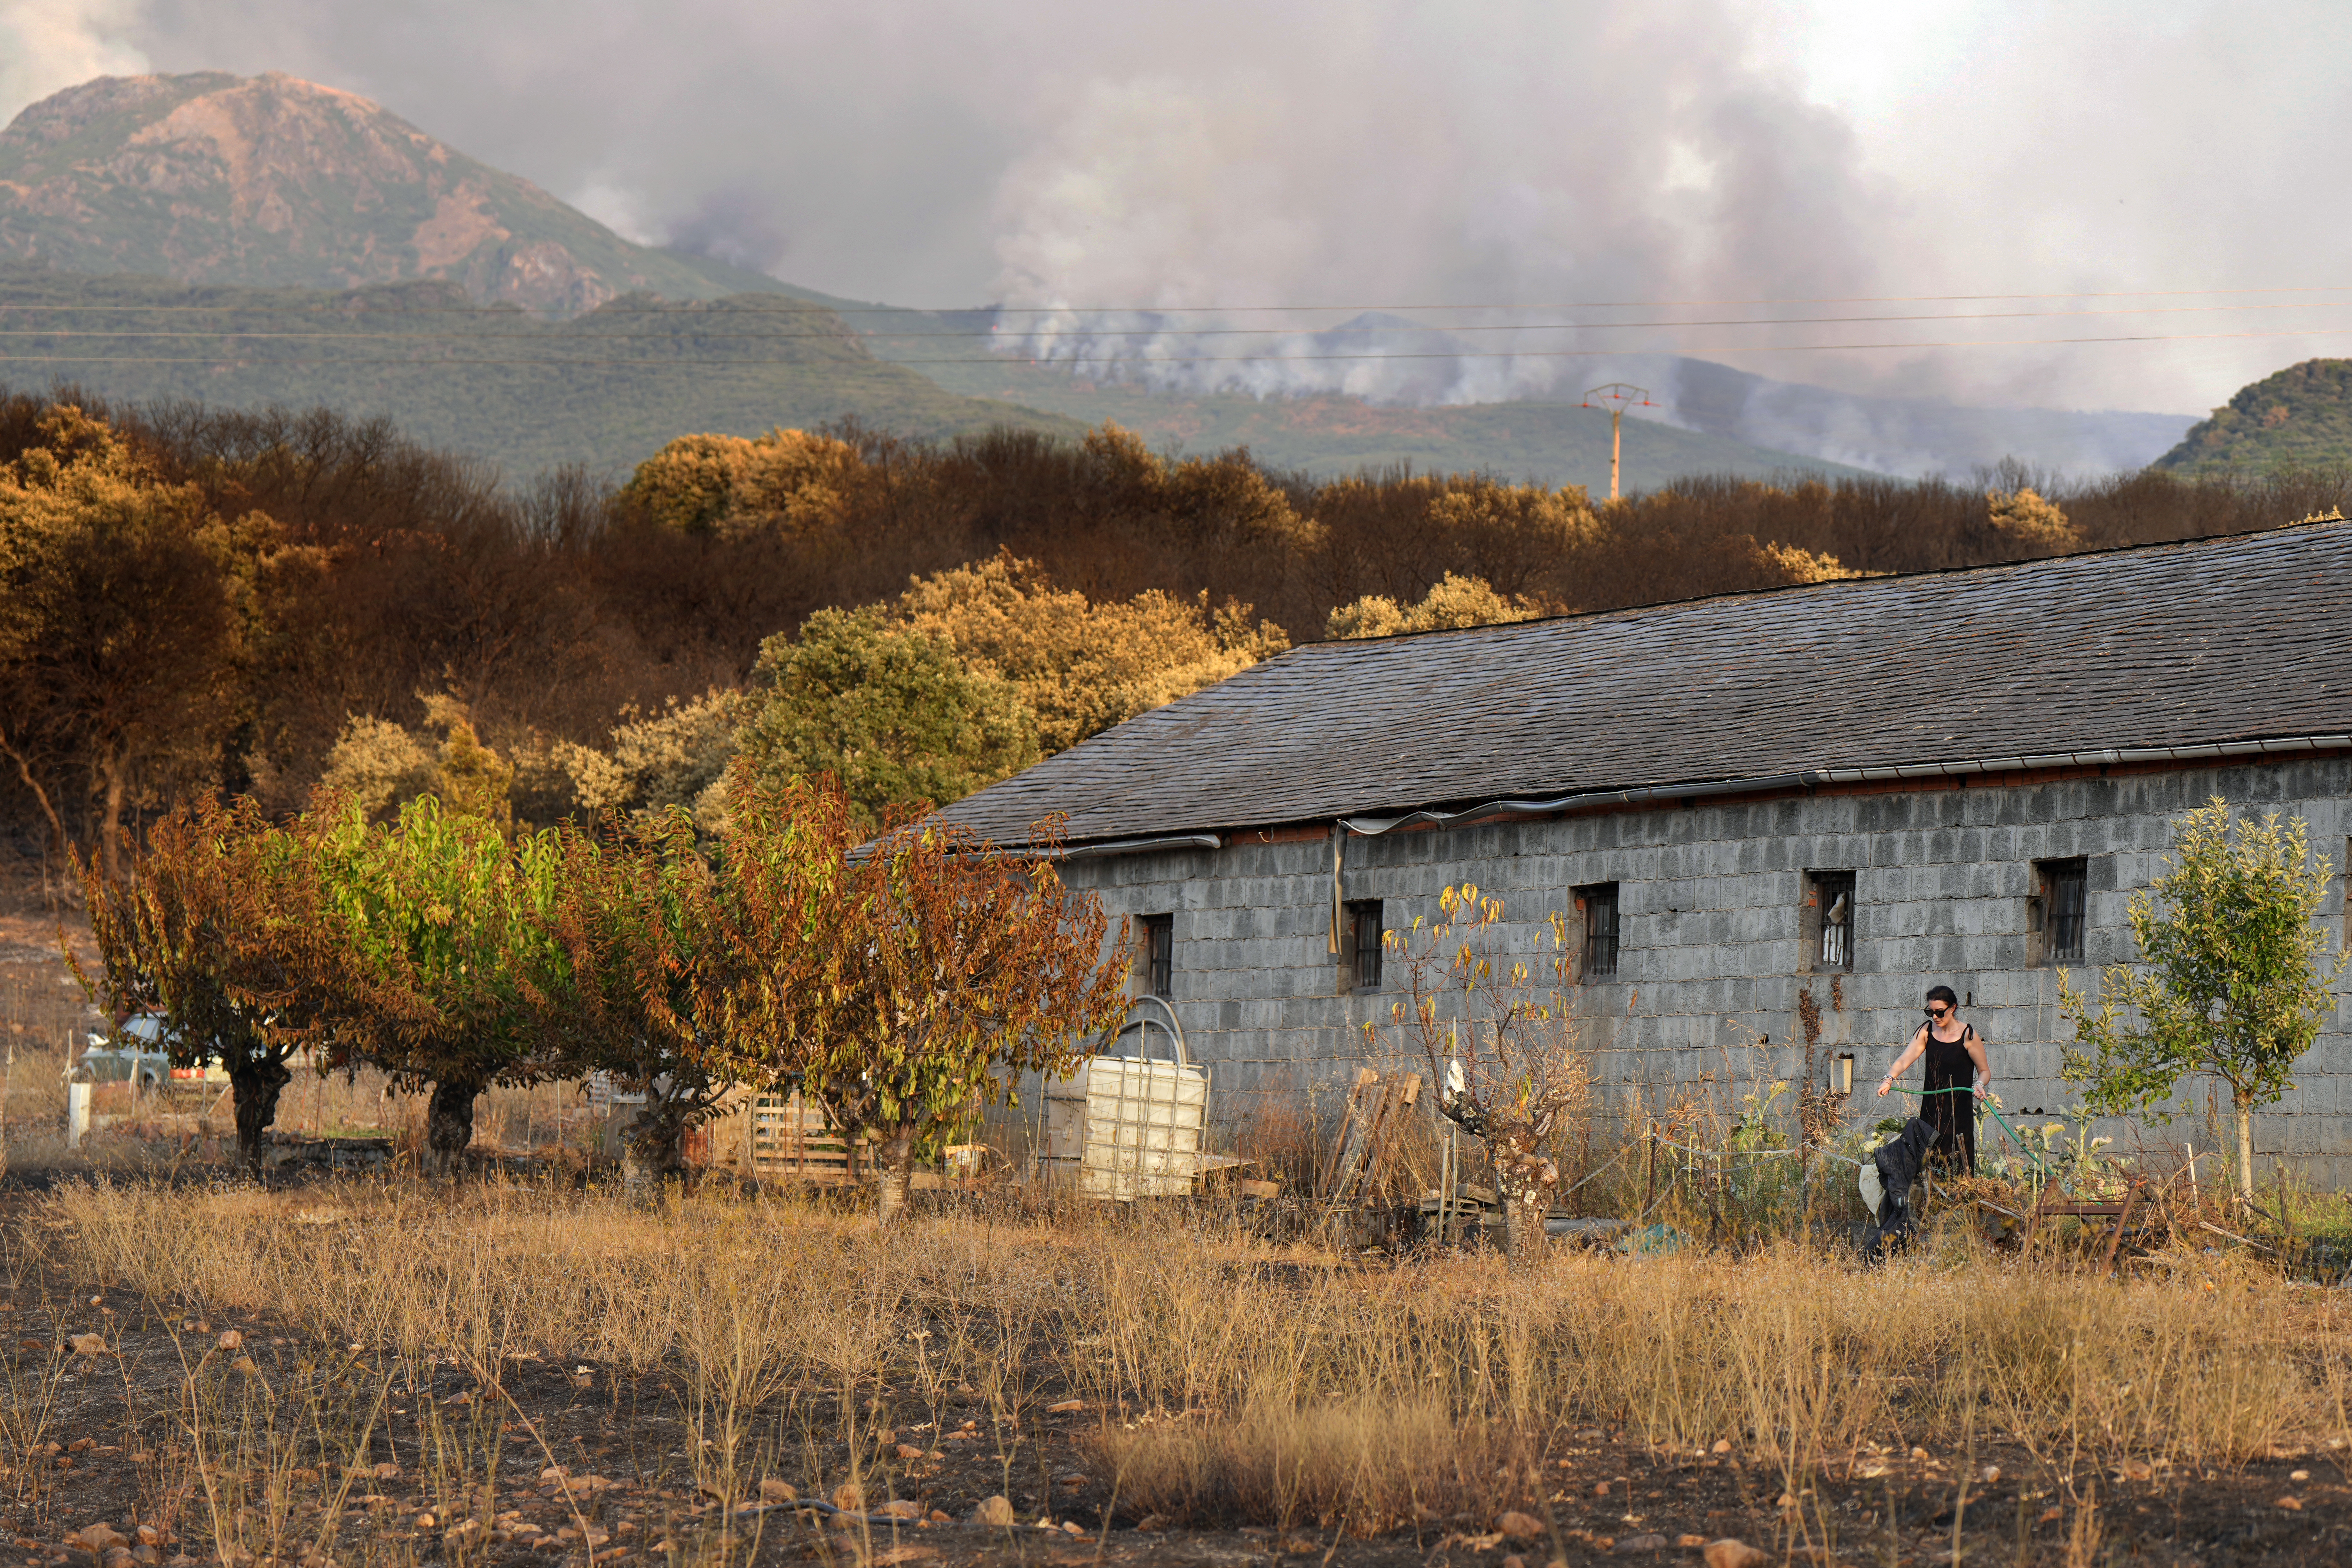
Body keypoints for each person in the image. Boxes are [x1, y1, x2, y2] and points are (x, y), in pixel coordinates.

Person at [1875, 985, 1990, 1174]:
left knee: (1957, 1163)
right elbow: (1905, 1059)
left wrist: (1979, 1085)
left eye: (1940, 1012)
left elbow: (1985, 1071)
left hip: (1958, 1111)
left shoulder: (1968, 1036)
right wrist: (1889, 1079)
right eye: (1930, 1012)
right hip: (1931, 1108)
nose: (1935, 1017)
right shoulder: (1927, 1031)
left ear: (1953, 1008)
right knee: (1928, 1159)